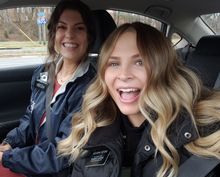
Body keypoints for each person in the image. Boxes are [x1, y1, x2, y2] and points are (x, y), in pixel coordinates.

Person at [57, 22, 220, 177]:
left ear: (164, 69)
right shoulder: (90, 127)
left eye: (139, 62)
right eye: (114, 63)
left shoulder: (204, 132)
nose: (124, 74)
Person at [0, 0, 96, 176]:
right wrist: (6, 145)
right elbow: (30, 119)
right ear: (53, 33)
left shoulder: (92, 88)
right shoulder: (43, 73)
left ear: (89, 37)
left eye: (79, 28)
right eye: (62, 27)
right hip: (32, 161)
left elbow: (62, 154)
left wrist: (1, 157)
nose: (69, 35)